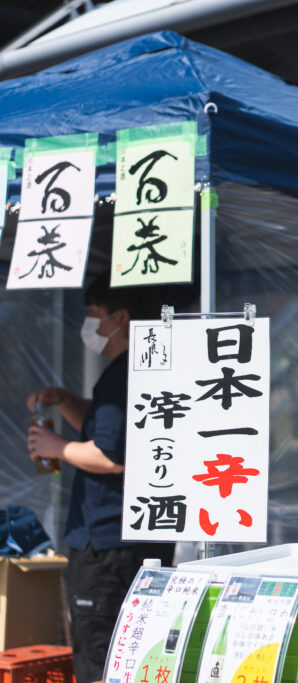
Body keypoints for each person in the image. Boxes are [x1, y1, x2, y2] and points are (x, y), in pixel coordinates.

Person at [27, 272, 175, 683]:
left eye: (94, 311)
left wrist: (57, 448)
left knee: (101, 658)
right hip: (141, 538)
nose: (88, 322)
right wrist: (67, 401)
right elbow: (112, 433)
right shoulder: (147, 367)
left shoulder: (122, 374)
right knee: (136, 656)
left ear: (121, 318)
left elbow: (110, 455)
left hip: (107, 546)